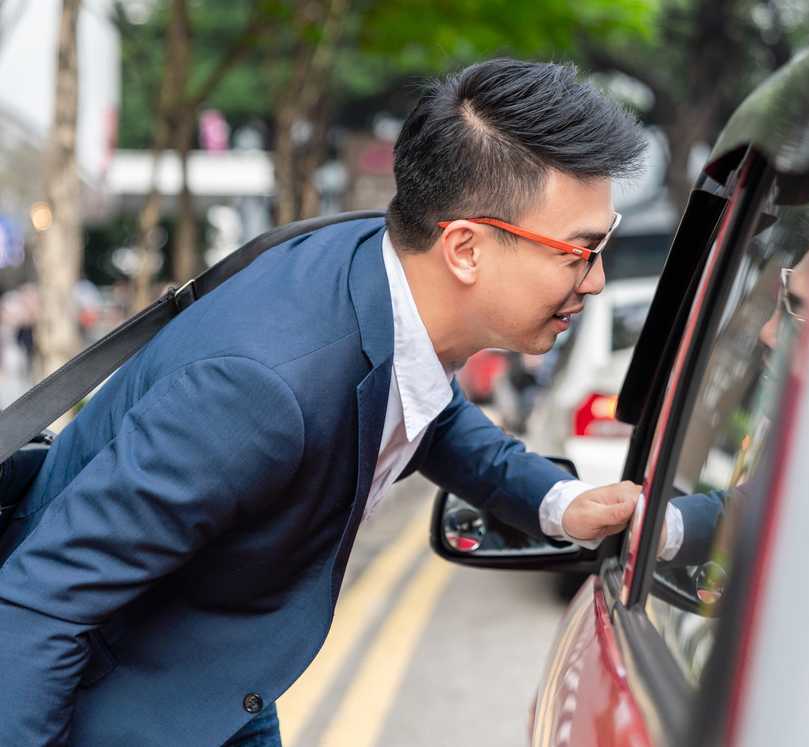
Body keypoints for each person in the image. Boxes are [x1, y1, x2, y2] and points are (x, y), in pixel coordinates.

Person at [0, 59, 650, 746]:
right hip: (121, 708)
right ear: (464, 247)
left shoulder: (391, 272)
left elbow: (429, 404)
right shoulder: (262, 389)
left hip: (225, 676)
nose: (598, 280)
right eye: (580, 252)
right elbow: (38, 604)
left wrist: (559, 501)